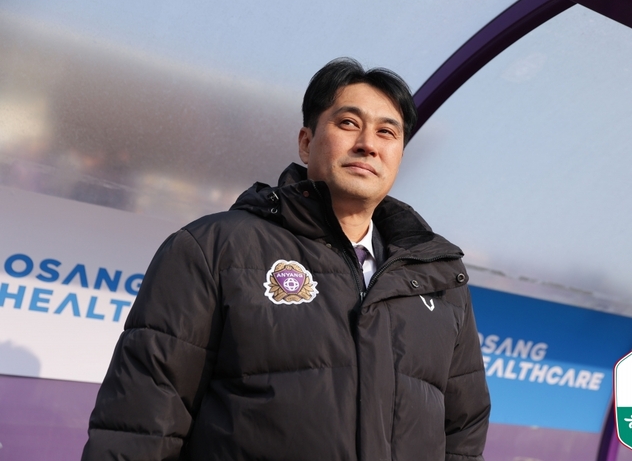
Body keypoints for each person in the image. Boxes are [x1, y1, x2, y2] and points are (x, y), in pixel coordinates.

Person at [82, 58, 490, 461]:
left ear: (399, 155)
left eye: (387, 132)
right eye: (349, 123)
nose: (368, 144)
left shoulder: (440, 278)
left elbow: (463, 433)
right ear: (306, 142)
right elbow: (139, 425)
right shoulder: (214, 247)